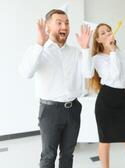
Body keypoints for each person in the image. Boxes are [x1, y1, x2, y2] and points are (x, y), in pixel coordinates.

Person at [19, 9, 93, 168]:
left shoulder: (75, 52)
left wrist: (86, 49)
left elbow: (88, 73)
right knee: (48, 156)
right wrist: (39, 44)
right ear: (48, 27)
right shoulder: (40, 50)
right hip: (50, 111)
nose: (64, 26)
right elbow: (26, 73)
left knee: (68, 154)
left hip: (73, 109)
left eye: (66, 23)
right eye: (59, 22)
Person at [88, 23, 125, 168]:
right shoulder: (97, 58)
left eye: (108, 31)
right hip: (106, 101)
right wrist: (112, 52)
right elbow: (115, 75)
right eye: (102, 33)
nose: (107, 33)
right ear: (98, 40)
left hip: (122, 101)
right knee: (105, 141)